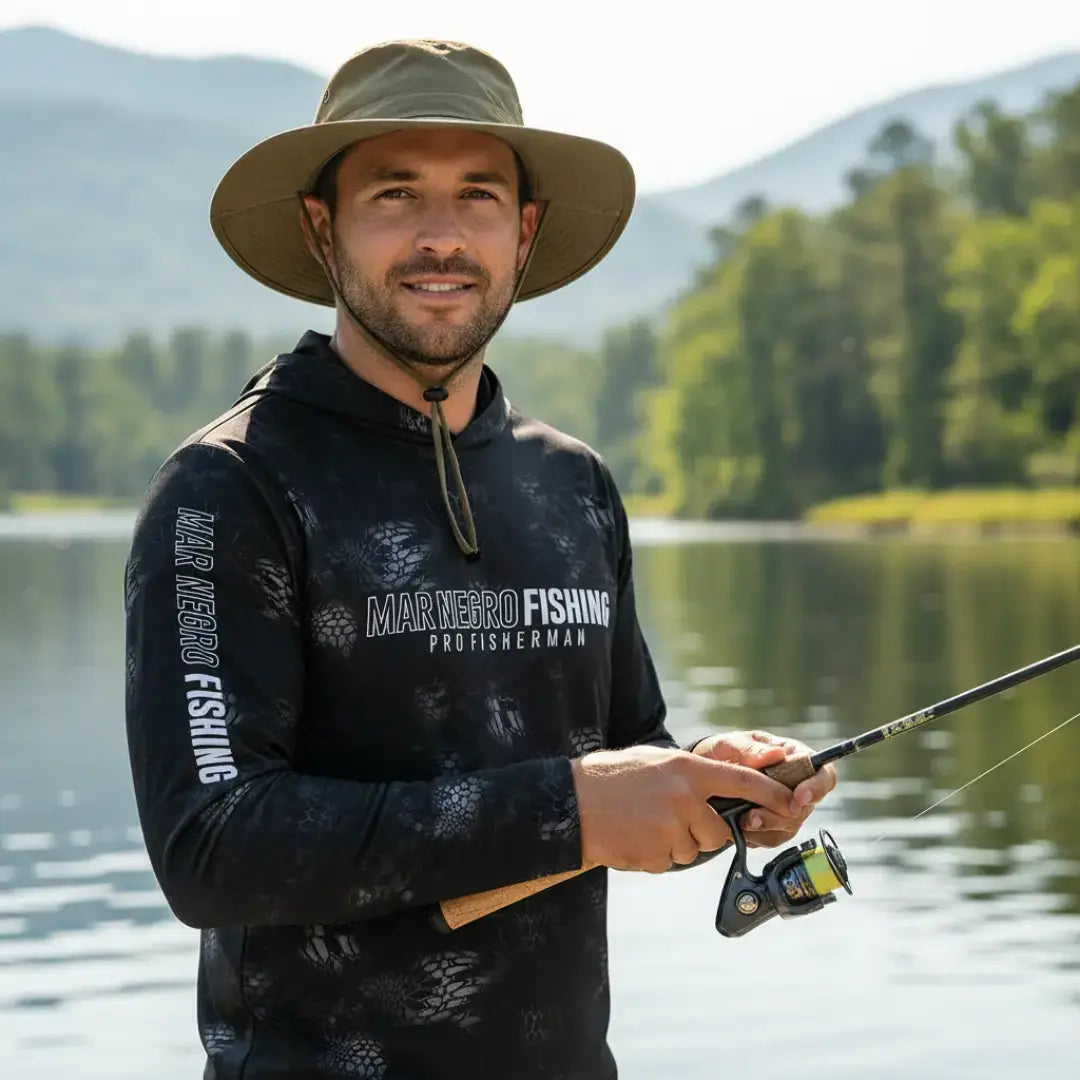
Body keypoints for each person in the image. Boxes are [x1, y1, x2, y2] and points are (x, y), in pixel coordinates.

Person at [124, 39, 837, 1080]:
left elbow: (625, 745)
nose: (441, 238)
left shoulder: (573, 483)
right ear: (324, 228)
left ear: (525, 230)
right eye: (396, 194)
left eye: (479, 197)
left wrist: (714, 781)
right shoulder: (229, 488)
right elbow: (214, 850)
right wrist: (577, 806)